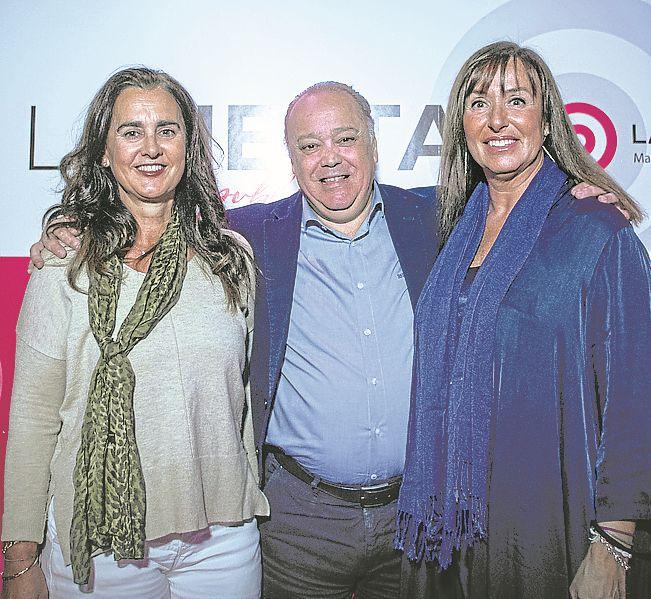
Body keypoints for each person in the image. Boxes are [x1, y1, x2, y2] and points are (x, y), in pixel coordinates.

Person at [28, 80, 622, 598]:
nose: (329, 159)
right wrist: (73, 227)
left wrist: (580, 198)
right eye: (309, 146)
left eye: (345, 139)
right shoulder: (249, 237)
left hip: (415, 514)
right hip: (298, 521)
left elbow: (517, 206)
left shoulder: (437, 220)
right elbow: (154, 215)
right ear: (290, 159)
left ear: (374, 143)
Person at [1, 67, 269, 599]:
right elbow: (32, 420)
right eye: (131, 131)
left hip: (222, 538)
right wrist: (19, 559)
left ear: (188, 146)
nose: (151, 147)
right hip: (100, 545)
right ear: (104, 151)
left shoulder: (230, 260)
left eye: (167, 130)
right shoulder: (65, 267)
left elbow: (242, 393)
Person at [396, 41, 650, 599]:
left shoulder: (596, 231)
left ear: (546, 116)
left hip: (545, 522)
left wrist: (615, 545)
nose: (497, 120)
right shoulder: (448, 228)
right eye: (477, 102)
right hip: (445, 529)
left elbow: (636, 399)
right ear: (460, 124)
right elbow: (349, 196)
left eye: (516, 99)